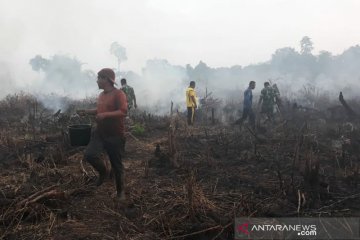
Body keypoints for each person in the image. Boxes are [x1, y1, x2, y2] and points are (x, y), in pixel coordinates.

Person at [77, 68, 128, 200]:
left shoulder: (119, 94)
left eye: (99, 78)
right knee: (90, 154)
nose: (97, 81)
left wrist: (105, 115)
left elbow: (123, 111)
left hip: (115, 135)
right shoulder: (101, 95)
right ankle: (103, 172)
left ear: (107, 80)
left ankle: (120, 192)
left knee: (116, 165)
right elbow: (99, 110)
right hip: (100, 132)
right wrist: (87, 111)